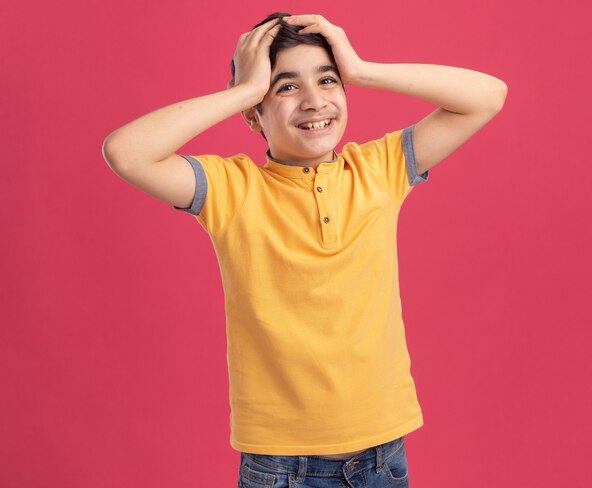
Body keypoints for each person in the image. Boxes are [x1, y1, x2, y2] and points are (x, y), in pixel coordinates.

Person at [102, 11, 507, 487]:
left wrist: (361, 69)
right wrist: (243, 90)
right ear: (254, 113)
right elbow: (126, 151)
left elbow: (488, 96)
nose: (315, 101)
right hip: (281, 467)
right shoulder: (232, 188)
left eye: (328, 80)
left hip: (383, 456)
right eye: (286, 87)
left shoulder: (379, 169)